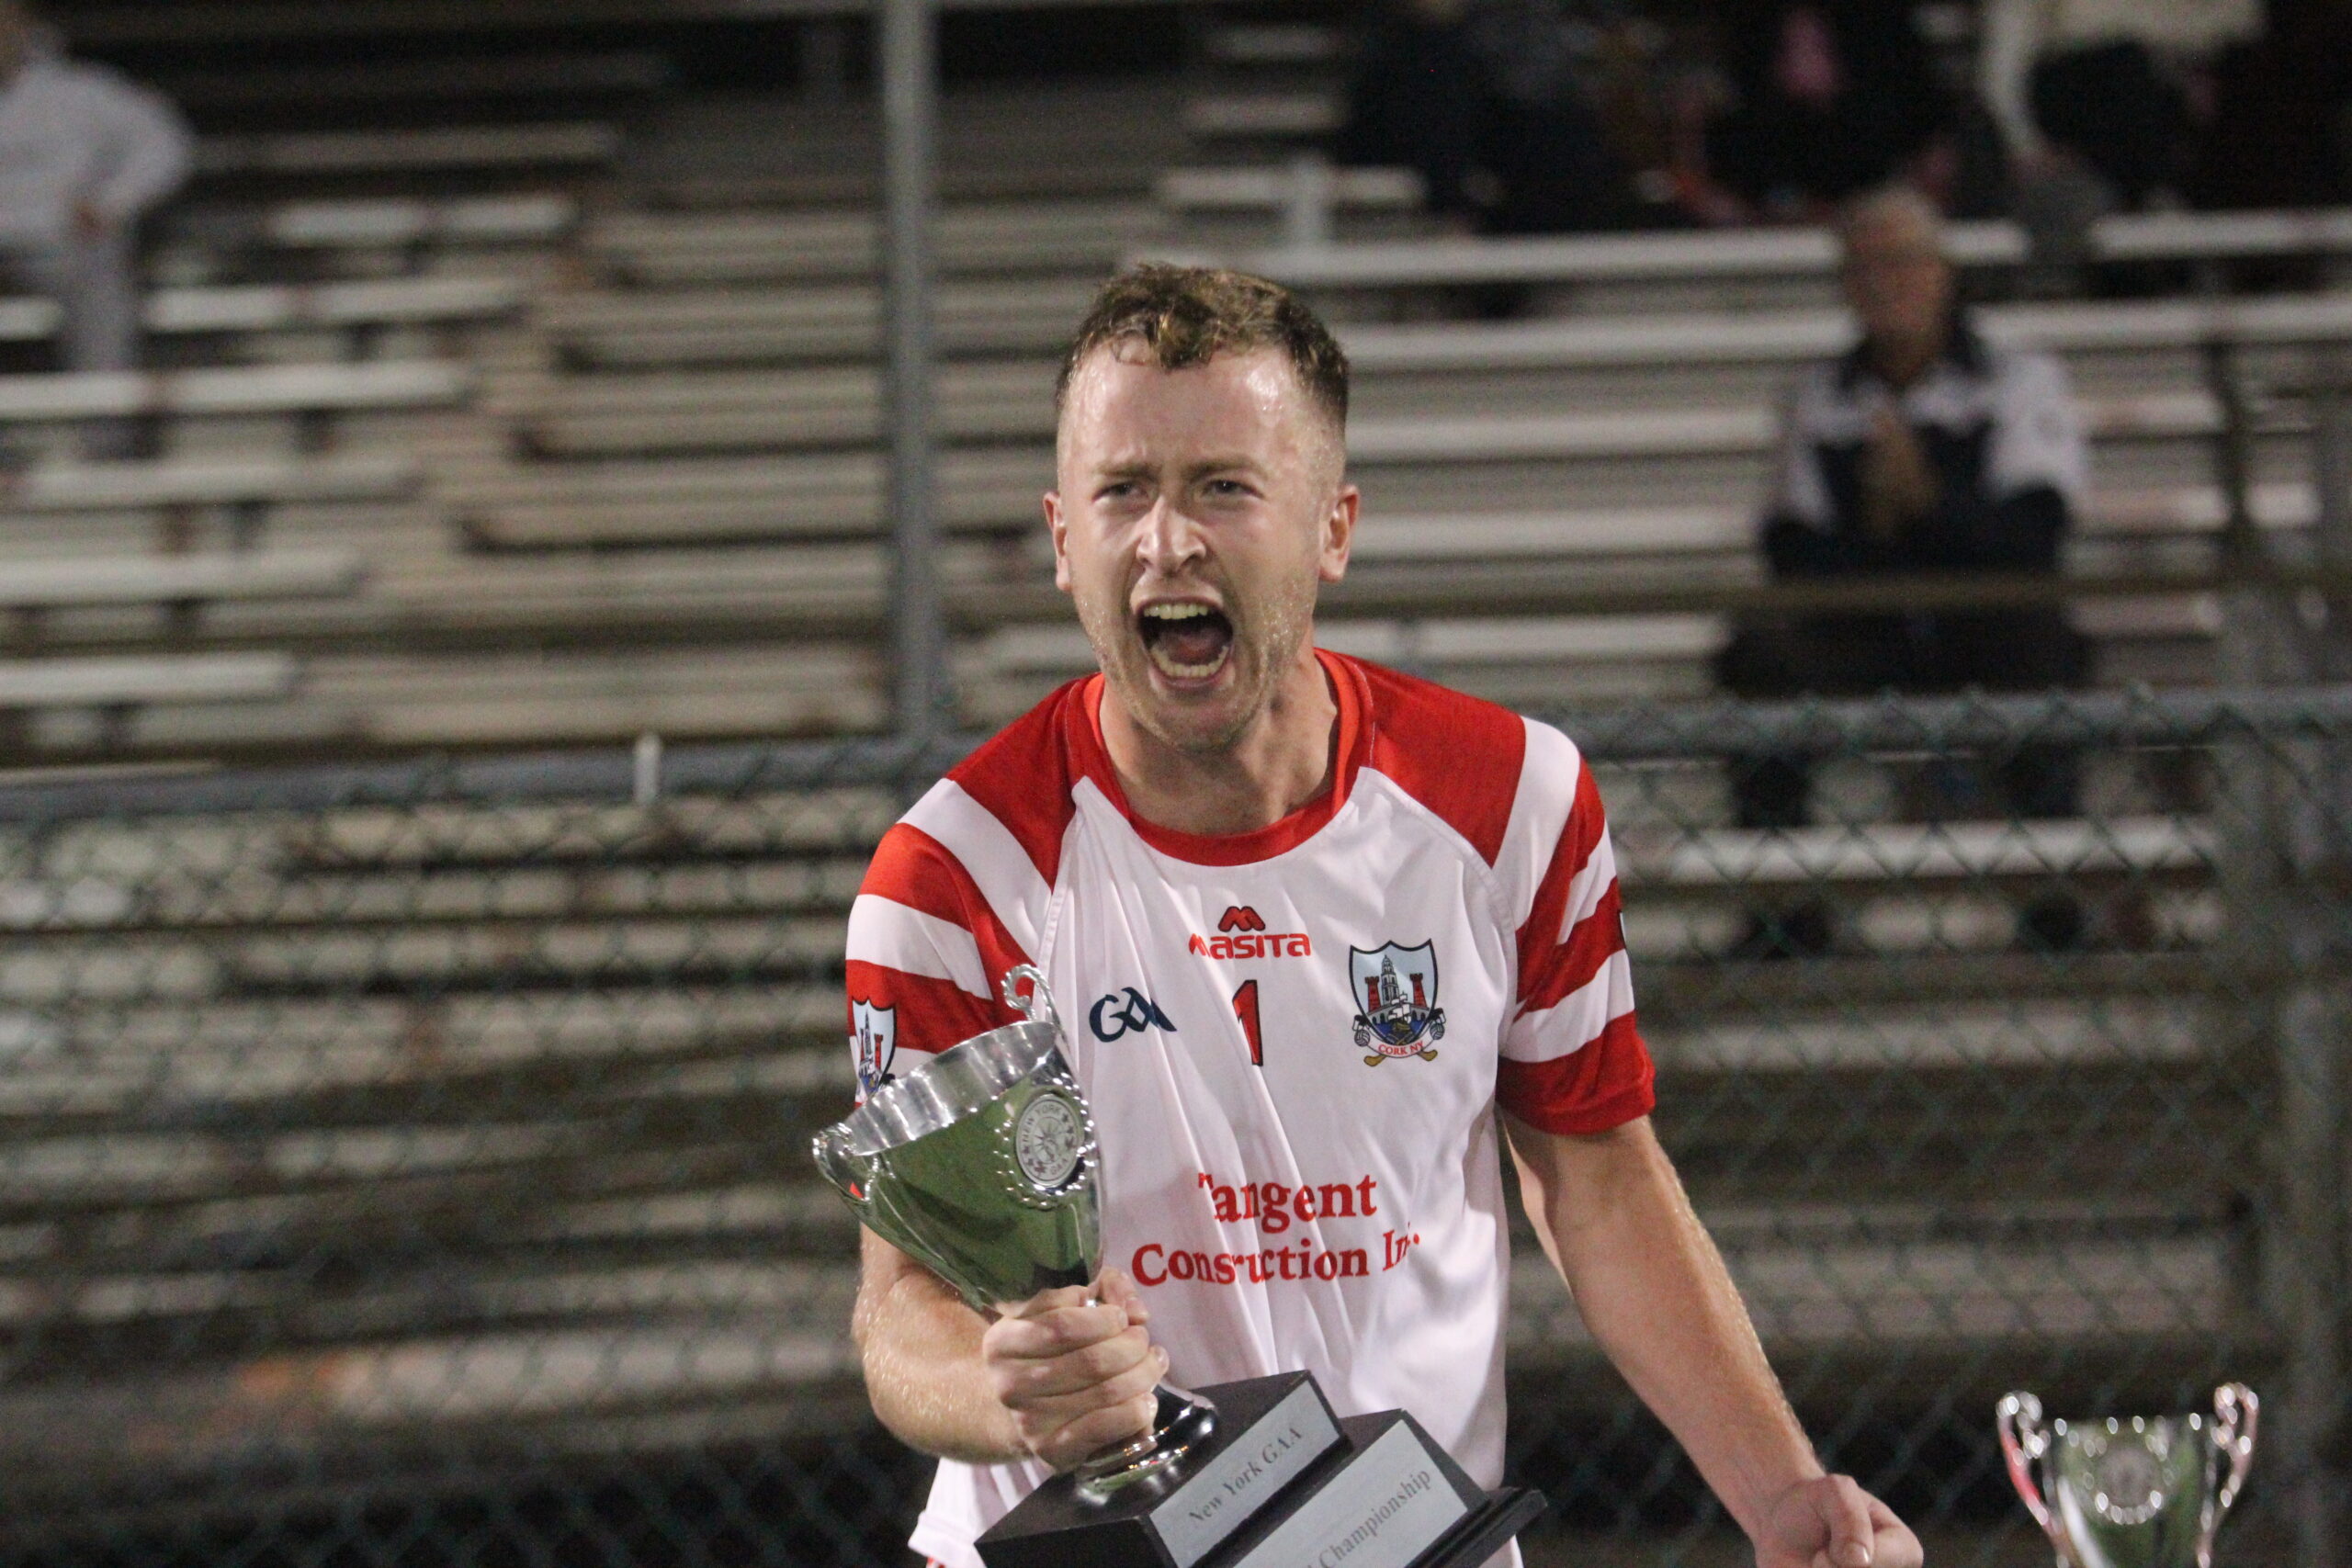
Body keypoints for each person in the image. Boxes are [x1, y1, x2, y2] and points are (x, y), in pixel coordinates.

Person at [842, 265, 1925, 1568]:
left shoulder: (1510, 798)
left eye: (1225, 486)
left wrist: (1781, 1488)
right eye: (1123, 489)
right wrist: (1004, 1384)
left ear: (1333, 529)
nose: (1169, 539)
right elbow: (901, 1305)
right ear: (1065, 537)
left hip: (1408, 1546)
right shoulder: (951, 873)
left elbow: (1595, 1177)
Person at [1716, 186, 2092, 955]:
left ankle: (2056, 907)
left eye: (1906, 263)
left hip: (1985, 628)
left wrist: (1925, 507)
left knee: (2040, 646)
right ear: (1846, 286)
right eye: (1867, 268)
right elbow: (1791, 550)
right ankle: (1784, 915)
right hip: (1867, 626)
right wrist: (1899, 530)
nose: (1890, 284)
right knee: (1759, 657)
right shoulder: (1821, 394)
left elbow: (2036, 538)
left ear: (1944, 273)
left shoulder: (2017, 378)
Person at [0, 1, 190, 454]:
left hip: (61, 246)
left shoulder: (83, 92)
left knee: (101, 279)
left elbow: (164, 144)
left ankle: (107, 439)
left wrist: (111, 203)